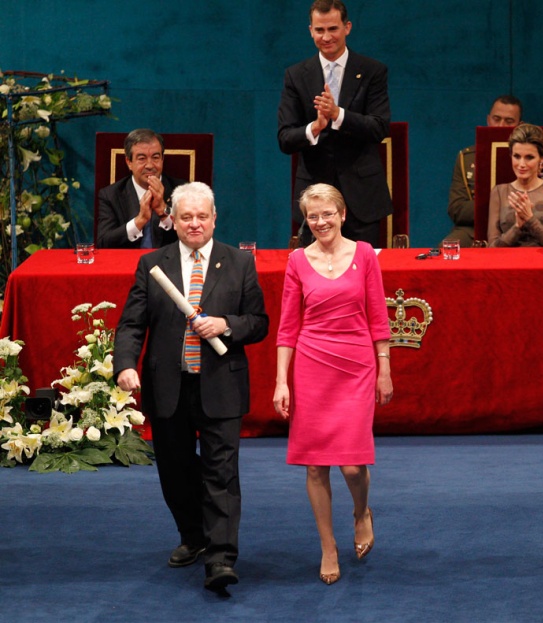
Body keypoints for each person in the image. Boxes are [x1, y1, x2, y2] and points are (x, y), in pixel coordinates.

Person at [113, 182, 269, 592]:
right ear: (174, 221)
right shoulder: (152, 264)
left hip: (221, 387)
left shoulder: (239, 263)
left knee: (221, 473)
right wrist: (125, 365)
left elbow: (258, 322)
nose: (195, 223)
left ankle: (220, 558)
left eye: (202, 216)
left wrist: (226, 325)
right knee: (176, 473)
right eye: (186, 217)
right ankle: (194, 537)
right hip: (169, 386)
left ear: (215, 218)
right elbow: (131, 323)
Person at [273, 183, 393, 585]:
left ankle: (361, 513)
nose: (320, 222)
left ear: (342, 213)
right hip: (312, 366)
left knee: (353, 465)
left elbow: (378, 316)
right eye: (312, 216)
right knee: (315, 465)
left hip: (356, 365)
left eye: (327, 213)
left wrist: (385, 368)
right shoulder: (296, 260)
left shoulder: (364, 255)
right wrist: (281, 382)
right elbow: (288, 327)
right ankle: (328, 546)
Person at [278, 0, 393, 247]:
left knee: (363, 275)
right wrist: (315, 127)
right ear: (310, 30)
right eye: (319, 30)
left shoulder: (372, 70)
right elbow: (285, 139)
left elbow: (379, 127)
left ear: (347, 27)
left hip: (362, 197)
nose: (326, 36)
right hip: (315, 197)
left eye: (333, 29)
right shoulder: (296, 75)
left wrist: (338, 114)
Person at [443, 95, 523, 247]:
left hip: (521, 228)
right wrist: (501, 207)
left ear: (520, 125)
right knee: (445, 251)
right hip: (474, 229)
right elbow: (457, 210)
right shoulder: (467, 158)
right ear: (488, 120)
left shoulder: (529, 159)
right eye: (496, 119)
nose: (500, 126)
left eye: (509, 121)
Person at [97, 128, 186, 249]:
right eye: (142, 158)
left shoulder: (183, 191)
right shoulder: (111, 195)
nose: (149, 165)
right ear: (129, 162)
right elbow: (103, 243)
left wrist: (164, 212)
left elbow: (193, 236)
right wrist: (140, 220)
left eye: (155, 157)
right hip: (126, 264)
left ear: (162, 159)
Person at [487, 124, 543, 247]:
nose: (521, 164)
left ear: (542, 158)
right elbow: (492, 247)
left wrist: (530, 219)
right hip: (507, 262)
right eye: (517, 156)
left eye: (529, 157)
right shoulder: (499, 191)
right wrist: (517, 227)